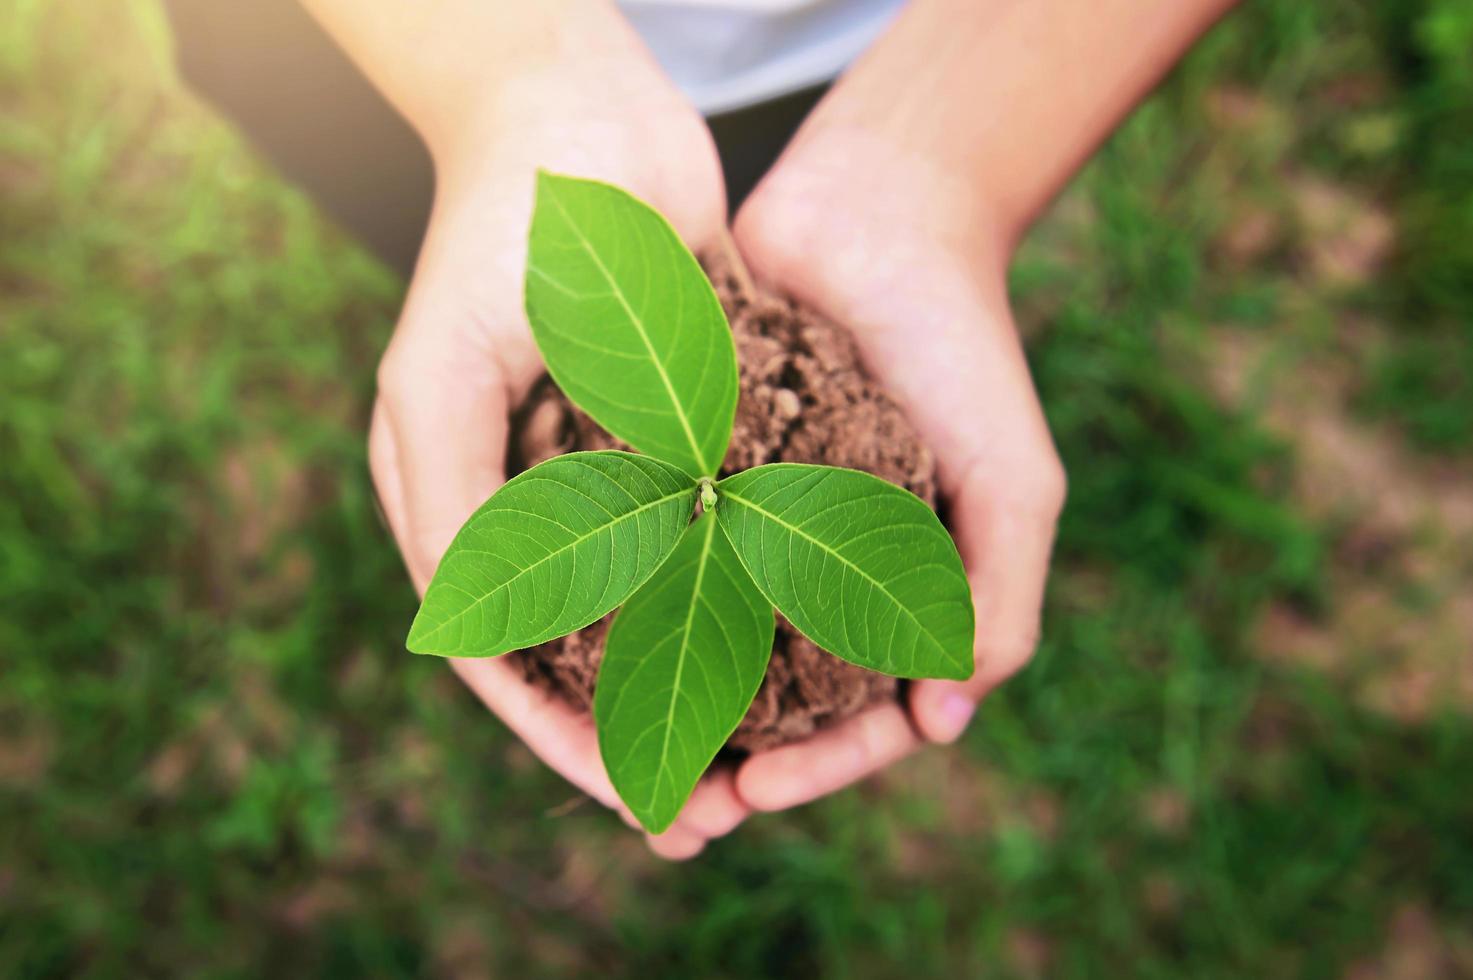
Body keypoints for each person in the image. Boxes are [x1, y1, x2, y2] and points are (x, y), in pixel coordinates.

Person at [166, 0, 1236, 860]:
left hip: (888, 58)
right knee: (421, 214)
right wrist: (505, 78)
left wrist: (945, 169)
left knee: (521, 268)